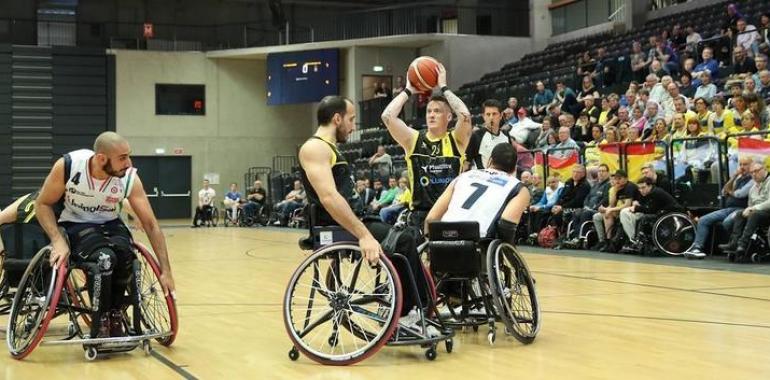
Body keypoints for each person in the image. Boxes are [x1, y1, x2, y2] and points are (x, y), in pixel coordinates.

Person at [298, 95, 429, 327]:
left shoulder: (329, 148)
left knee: (410, 235)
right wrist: (364, 235)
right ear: (337, 119)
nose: (352, 125)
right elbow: (329, 198)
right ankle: (410, 314)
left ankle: (420, 305)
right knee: (404, 241)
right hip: (339, 226)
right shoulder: (314, 147)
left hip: (354, 219)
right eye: (351, 119)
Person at [34, 131, 175, 339]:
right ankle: (100, 318)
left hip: (110, 223)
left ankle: (115, 313)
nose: (129, 163)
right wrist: (57, 241)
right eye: (122, 158)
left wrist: (166, 271)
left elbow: (151, 225)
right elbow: (42, 204)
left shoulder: (128, 178)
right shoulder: (69, 166)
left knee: (127, 256)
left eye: (129, 155)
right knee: (104, 258)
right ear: (101, 158)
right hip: (75, 223)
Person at [381, 62, 472, 228]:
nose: (431, 115)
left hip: (449, 213)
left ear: (449, 117)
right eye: (429, 111)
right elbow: (387, 117)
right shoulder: (414, 139)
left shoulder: (456, 140)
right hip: (419, 215)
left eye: (437, 111)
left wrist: (443, 87)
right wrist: (408, 90)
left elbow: (465, 115)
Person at [425, 143, 529, 243]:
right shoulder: (518, 187)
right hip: (478, 242)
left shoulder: (463, 176)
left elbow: (431, 218)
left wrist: (429, 245)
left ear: (490, 161)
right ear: (514, 168)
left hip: (444, 237)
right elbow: (506, 225)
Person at [685, 156, 754, 259]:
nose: (742, 167)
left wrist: (730, 192)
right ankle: (697, 248)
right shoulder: (738, 178)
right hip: (728, 209)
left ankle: (735, 245)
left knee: (726, 222)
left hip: (741, 209)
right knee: (703, 220)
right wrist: (734, 176)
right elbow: (723, 191)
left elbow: (740, 194)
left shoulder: (753, 179)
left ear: (751, 166)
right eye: (740, 164)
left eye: (745, 164)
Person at [720, 162, 770, 261]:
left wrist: (754, 208)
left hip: (767, 212)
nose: (754, 174)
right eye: (752, 173)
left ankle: (742, 244)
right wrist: (748, 210)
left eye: (756, 171)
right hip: (758, 214)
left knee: (754, 214)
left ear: (764, 169)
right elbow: (750, 205)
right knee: (740, 214)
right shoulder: (753, 188)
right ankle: (734, 243)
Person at [618, 177, 682, 252]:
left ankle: (637, 241)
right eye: (639, 188)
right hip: (658, 212)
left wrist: (636, 208)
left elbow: (651, 210)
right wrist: (637, 204)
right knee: (625, 213)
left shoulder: (656, 192)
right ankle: (633, 240)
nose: (641, 190)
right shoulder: (645, 192)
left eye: (643, 187)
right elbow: (645, 205)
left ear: (650, 186)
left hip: (669, 213)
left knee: (644, 218)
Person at [466, 99, 511, 170]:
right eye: (488, 114)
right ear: (483, 116)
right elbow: (466, 162)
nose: (491, 117)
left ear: (501, 115)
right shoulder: (477, 135)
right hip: (482, 179)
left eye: (494, 114)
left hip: (503, 178)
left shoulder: (506, 135)